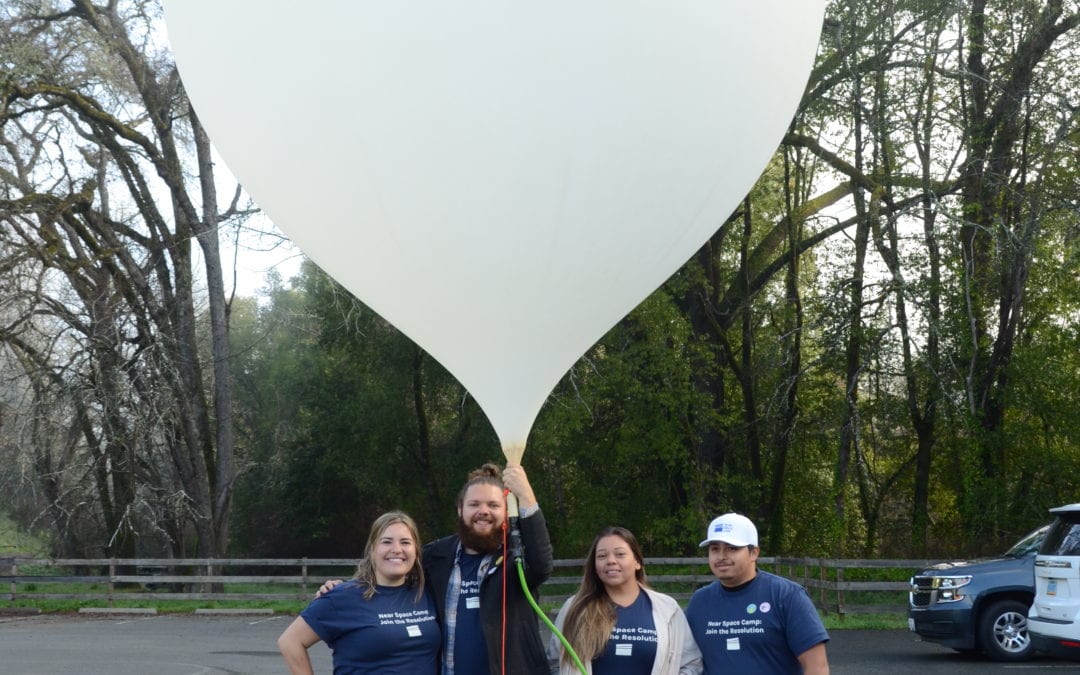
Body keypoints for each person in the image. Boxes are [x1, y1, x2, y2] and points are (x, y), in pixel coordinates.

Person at [319, 462, 554, 675]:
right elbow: (392, 571)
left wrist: (527, 496)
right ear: (460, 510)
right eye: (474, 504)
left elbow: (542, 564)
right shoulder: (436, 556)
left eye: (493, 505)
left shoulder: (518, 559)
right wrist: (345, 588)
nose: (484, 511)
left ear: (505, 513)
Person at [278, 510, 440, 675]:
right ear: (372, 550)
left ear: (416, 551)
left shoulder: (426, 593)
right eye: (386, 542)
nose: (397, 549)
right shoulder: (342, 596)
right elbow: (290, 641)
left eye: (405, 542)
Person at [685, 513, 830, 675]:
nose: (721, 556)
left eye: (732, 548)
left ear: (754, 552)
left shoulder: (786, 596)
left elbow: (817, 668)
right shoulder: (700, 602)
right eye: (715, 549)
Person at [548, 526, 702, 675]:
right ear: (594, 566)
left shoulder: (668, 609)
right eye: (602, 556)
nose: (611, 561)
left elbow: (690, 664)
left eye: (620, 554)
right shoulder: (575, 608)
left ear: (637, 562)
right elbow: (555, 664)